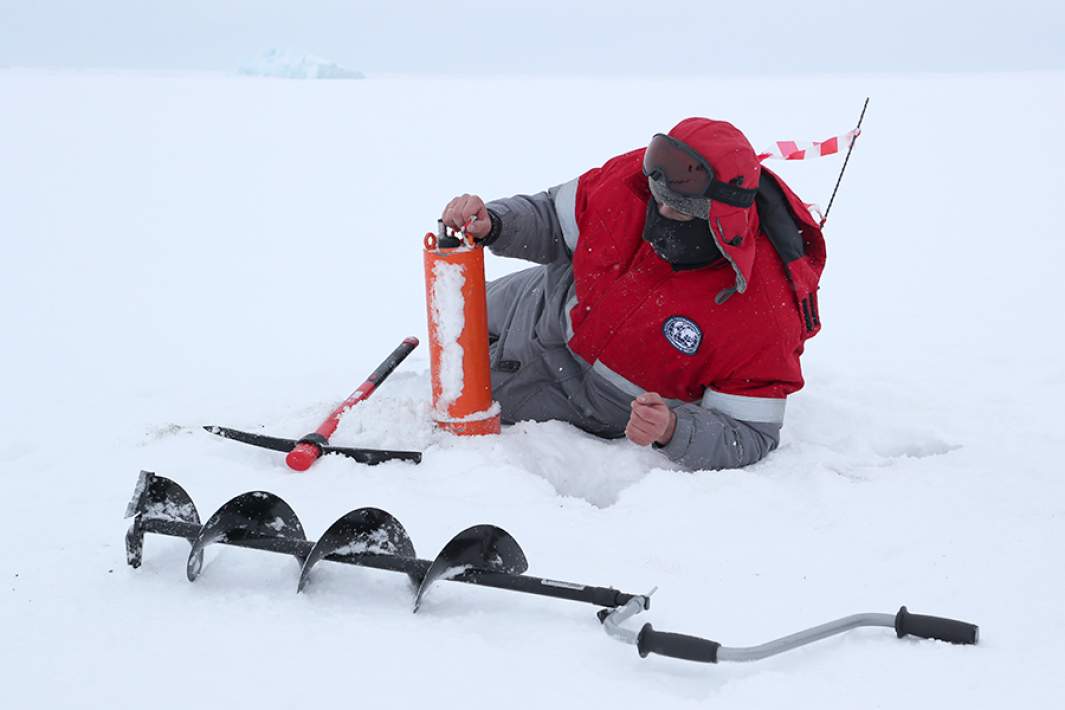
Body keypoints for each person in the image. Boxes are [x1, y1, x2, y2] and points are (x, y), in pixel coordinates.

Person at [441, 117, 826, 470]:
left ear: (721, 225)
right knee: (453, 316)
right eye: (655, 200)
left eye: (674, 211)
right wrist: (496, 223)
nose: (655, 211)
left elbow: (751, 433)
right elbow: (552, 218)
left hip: (580, 392)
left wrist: (673, 429)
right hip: (544, 298)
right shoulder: (638, 179)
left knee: (456, 392)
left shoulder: (766, 314)